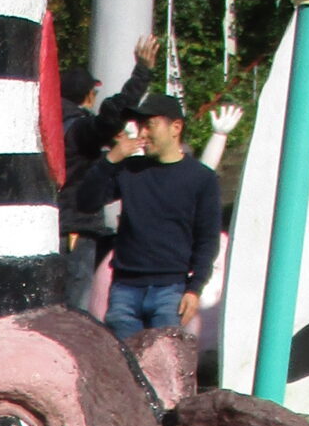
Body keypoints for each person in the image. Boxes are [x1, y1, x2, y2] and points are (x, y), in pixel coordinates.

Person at [75, 79, 222, 340]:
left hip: (171, 289)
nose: (142, 133)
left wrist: (195, 288)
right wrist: (110, 160)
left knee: (164, 359)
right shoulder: (131, 170)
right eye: (140, 125)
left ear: (175, 127)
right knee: (125, 360)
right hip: (125, 287)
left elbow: (207, 238)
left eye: (150, 125)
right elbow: (86, 202)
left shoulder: (201, 178)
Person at [57, 41, 156, 313]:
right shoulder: (78, 129)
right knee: (73, 313)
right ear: (89, 96)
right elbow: (112, 116)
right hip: (74, 229)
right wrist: (142, 73)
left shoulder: (47, 125)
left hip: (51, 226)